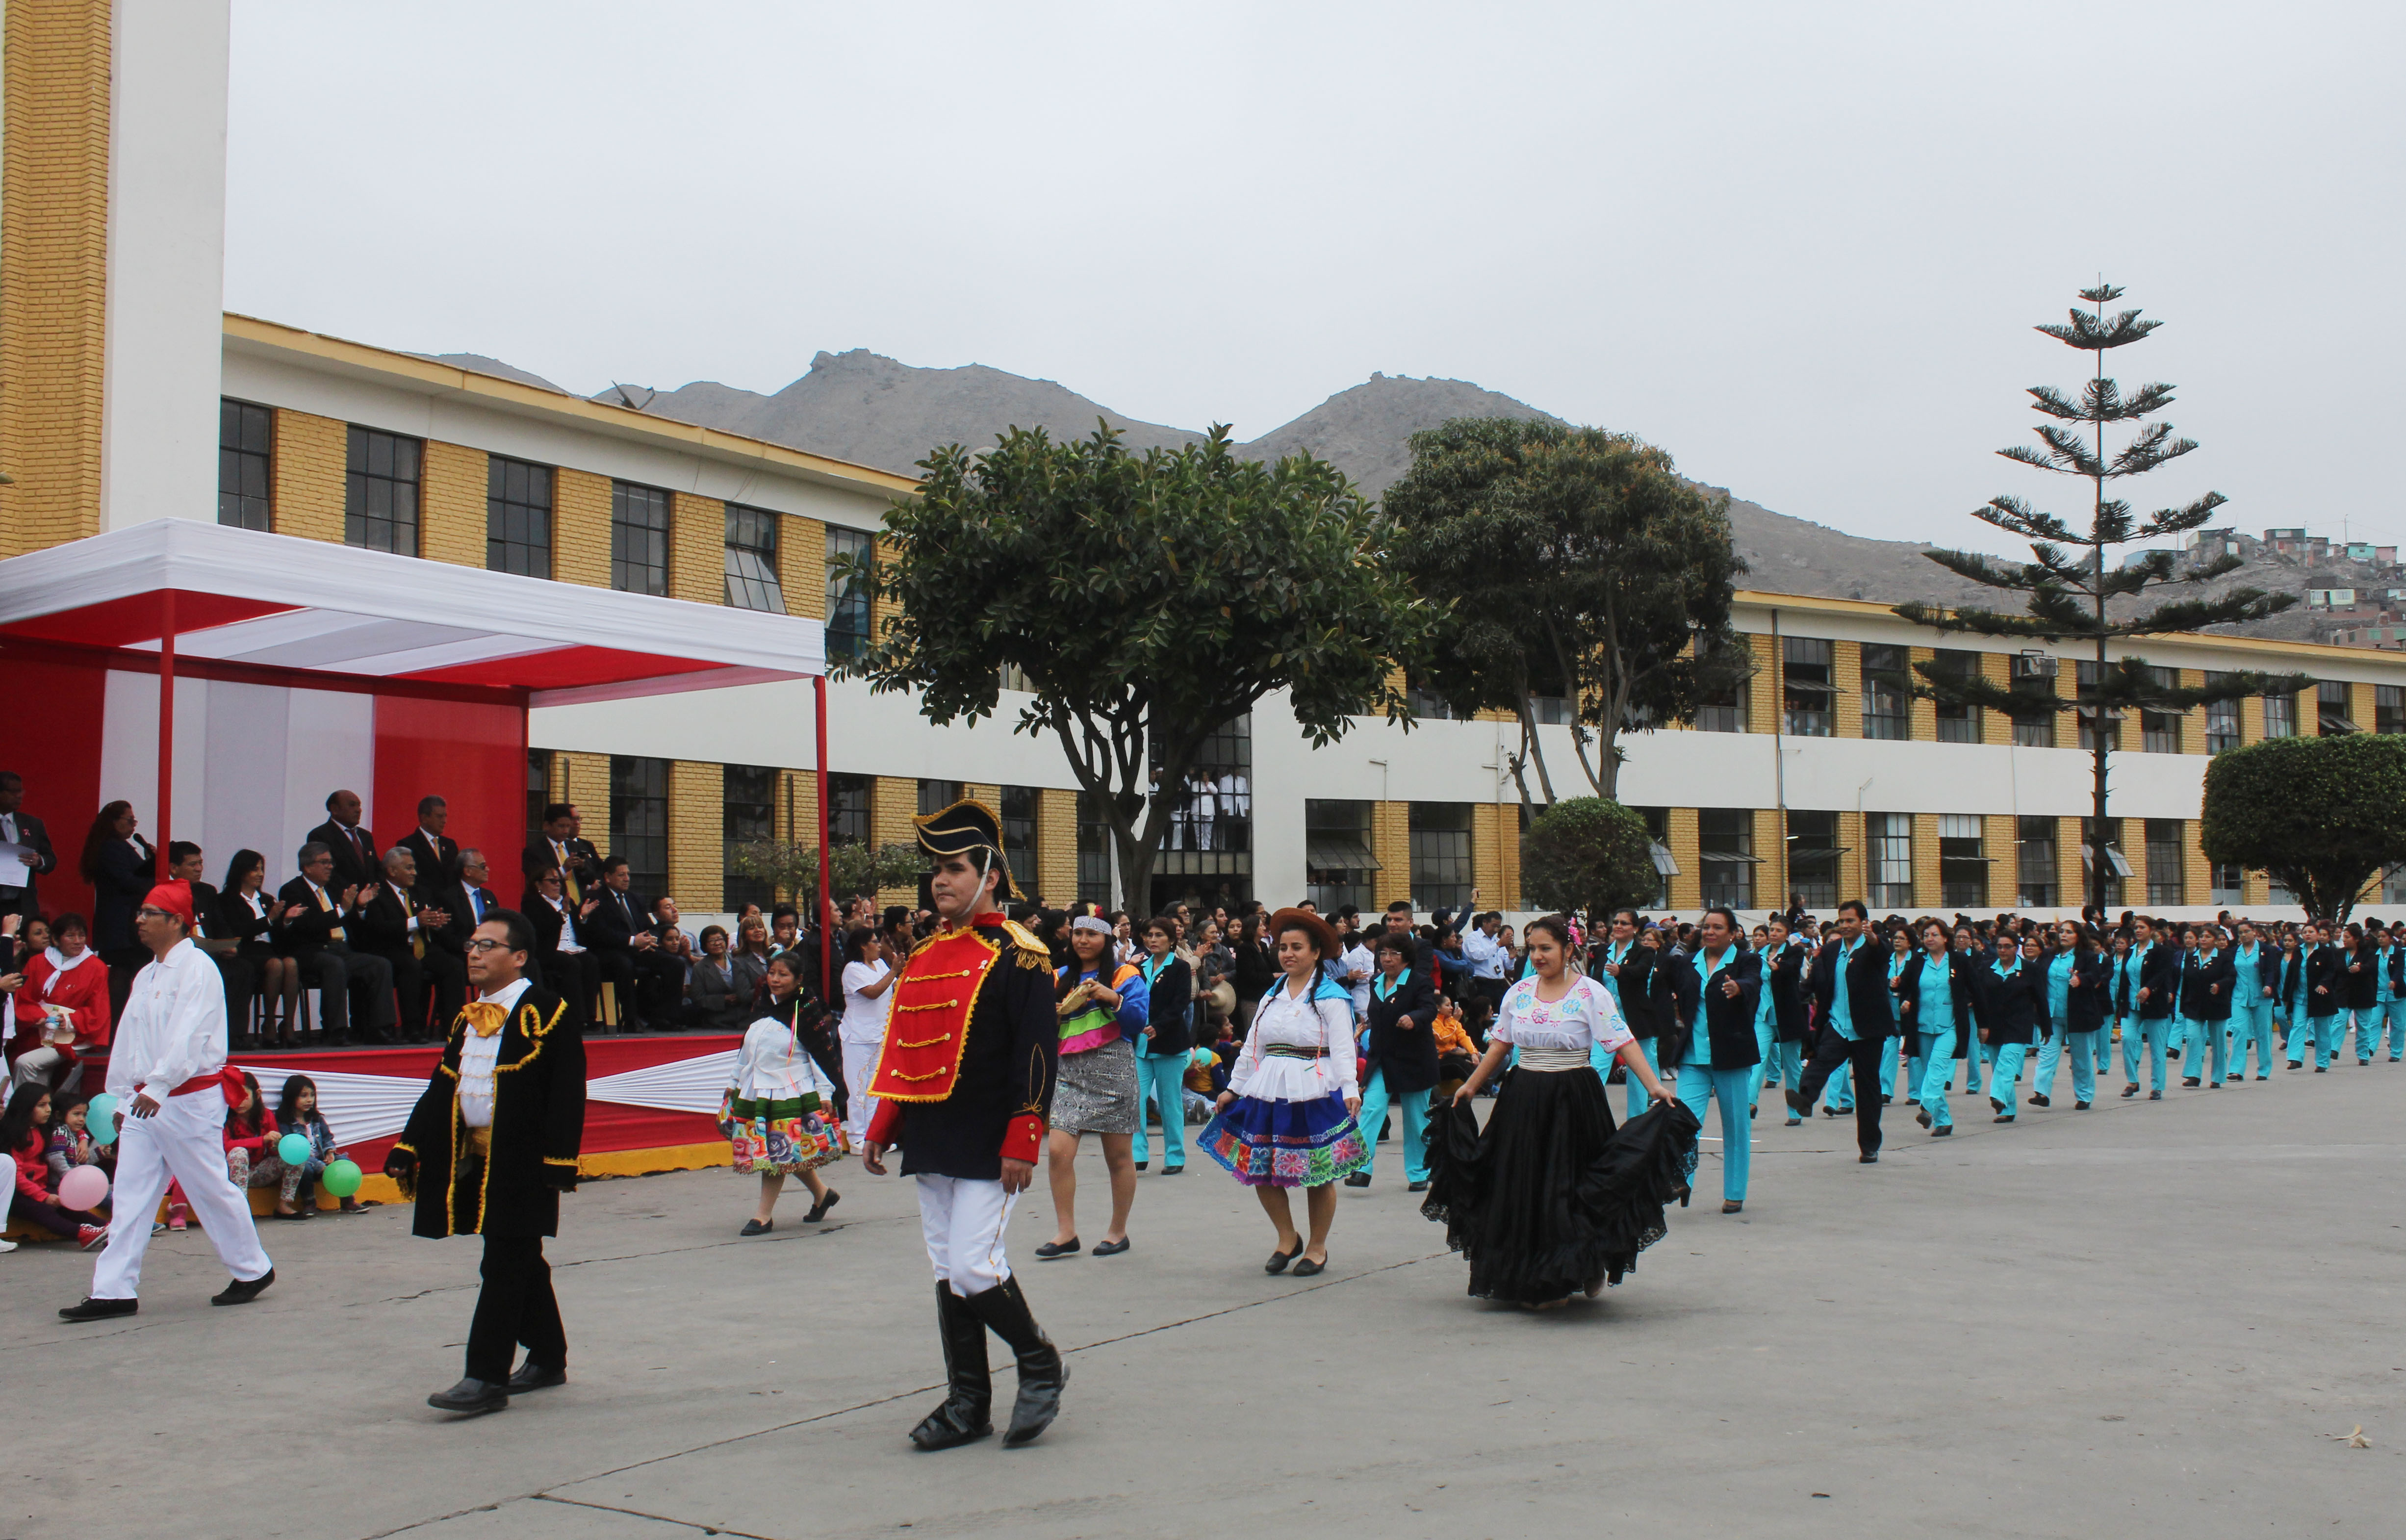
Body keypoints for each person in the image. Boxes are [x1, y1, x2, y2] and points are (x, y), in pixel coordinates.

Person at [861, 798, 1065, 1452]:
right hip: (931, 1133)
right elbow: (908, 1047)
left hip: (989, 1135)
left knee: (976, 1268)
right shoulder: (922, 953)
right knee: (948, 1269)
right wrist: (883, 1120)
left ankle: (1039, 1364)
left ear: (991, 875)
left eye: (952, 868)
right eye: (935, 871)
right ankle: (967, 1401)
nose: (939, 881)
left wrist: (1023, 1138)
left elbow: (1036, 1054)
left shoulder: (1022, 955)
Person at [1422, 914, 1689, 1306]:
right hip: (1522, 1098)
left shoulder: (1591, 993)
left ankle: (1582, 1266)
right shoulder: (1520, 992)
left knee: (1568, 1189)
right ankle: (1533, 1275)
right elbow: (1501, 1045)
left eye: (1546, 948)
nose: (1538, 956)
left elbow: (1623, 1042)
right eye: (1532, 949)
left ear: (1568, 950)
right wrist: (1470, 1085)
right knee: (1522, 1187)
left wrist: (1655, 1087)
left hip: (1573, 1100)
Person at [384, 910, 587, 1416]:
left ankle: (485, 1375)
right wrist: (409, 1144)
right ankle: (548, 1356)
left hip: (523, 1161)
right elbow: (443, 1085)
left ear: (518, 957)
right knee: (519, 1259)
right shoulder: (467, 1017)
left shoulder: (548, 1010)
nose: (474, 952)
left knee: (503, 1262)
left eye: (488, 944)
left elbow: (567, 1091)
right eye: (472, 942)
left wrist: (560, 1160)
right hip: (475, 1159)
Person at [59, 879, 276, 1321]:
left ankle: (253, 1268)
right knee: (132, 1194)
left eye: (149, 913)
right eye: (139, 912)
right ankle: (113, 1290)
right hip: (147, 1101)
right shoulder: (148, 973)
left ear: (177, 921)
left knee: (209, 1187)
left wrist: (158, 1086)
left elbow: (189, 1036)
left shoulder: (198, 968)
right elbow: (130, 1038)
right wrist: (122, 1095)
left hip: (188, 1099)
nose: (139, 920)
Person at [1200, 907, 1366, 1275]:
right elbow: (1252, 1046)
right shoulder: (1271, 994)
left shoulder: (1331, 996)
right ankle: (1287, 1237)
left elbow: (1343, 1049)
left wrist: (1350, 1089)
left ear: (1316, 952)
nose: (1288, 954)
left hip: (1314, 1088)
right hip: (1268, 1087)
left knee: (1317, 1173)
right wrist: (1233, 1089)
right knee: (1260, 1168)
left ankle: (1318, 1248)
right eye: (1284, 947)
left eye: (1297, 947)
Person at [1037, 916, 1145, 1260]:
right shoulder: (1057, 977)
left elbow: (1137, 1022)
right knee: (1057, 1151)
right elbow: (1040, 1031)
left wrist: (1112, 998)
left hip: (1113, 1068)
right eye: (1078, 934)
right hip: (1069, 1072)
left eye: (1092, 935)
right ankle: (1066, 1231)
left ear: (1106, 939)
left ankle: (1118, 1231)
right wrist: (1050, 1017)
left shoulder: (1125, 975)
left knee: (1117, 1158)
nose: (1084, 940)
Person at [727, 1001, 844, 1235]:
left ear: (797, 979)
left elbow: (820, 1058)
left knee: (778, 1151)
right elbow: (746, 1054)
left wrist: (825, 1093)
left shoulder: (804, 1015)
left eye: (784, 974)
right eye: (772, 973)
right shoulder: (762, 1015)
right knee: (786, 1152)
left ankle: (763, 1216)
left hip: (790, 1095)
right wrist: (733, 1083)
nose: (776, 979)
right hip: (758, 1093)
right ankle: (823, 1194)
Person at [1672, 907, 1762, 1213]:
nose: (1709, 932)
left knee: (1736, 1128)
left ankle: (1735, 1192)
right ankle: (1681, 1180)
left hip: (1732, 1056)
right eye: (1706, 927)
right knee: (1684, 1124)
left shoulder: (1746, 961)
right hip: (1693, 1057)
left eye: (1717, 928)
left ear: (1734, 933)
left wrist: (1739, 988)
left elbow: (1753, 983)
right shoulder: (1687, 962)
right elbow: (1680, 999)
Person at [1791, 899, 1893, 1162]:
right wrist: (1793, 998)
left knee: (1867, 1088)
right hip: (1837, 1024)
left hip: (1867, 1029)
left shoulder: (1874, 947)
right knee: (1820, 1061)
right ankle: (1805, 1099)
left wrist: (1873, 940)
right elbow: (1815, 982)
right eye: (1842, 921)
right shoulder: (1831, 950)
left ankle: (1869, 1145)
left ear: (1864, 922)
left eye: (1851, 921)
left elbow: (1882, 954)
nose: (1845, 926)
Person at [277, 841, 396, 1046]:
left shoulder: (334, 888)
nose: (330, 867)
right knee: (334, 965)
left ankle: (379, 1029)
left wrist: (359, 906)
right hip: (311, 952)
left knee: (380, 964)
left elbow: (350, 922)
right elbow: (308, 926)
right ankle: (335, 1030)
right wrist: (343, 910)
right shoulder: (292, 890)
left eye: (331, 862)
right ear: (307, 867)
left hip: (341, 950)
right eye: (324, 862)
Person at [1349, 930, 1440, 1192]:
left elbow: (1429, 1009)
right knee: (1372, 1109)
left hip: (1415, 1060)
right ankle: (1361, 1168)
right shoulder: (1376, 982)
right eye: (1383, 953)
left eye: (1394, 954)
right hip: (1383, 1059)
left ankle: (1419, 1172)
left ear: (1407, 957)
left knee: (1416, 1120)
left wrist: (1414, 1018)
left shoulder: (1420, 982)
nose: (1387, 959)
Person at [1, 1085, 107, 1249]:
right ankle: (82, 1234)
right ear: (26, 1106)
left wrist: (83, 1139)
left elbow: (69, 1126)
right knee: (44, 1211)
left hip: (40, 1187)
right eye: (42, 1105)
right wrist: (44, 1197)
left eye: (49, 1105)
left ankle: (108, 1229)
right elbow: (18, 1177)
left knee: (69, 1204)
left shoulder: (43, 1128)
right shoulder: (14, 1134)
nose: (48, 1110)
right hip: (18, 1194)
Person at [11, 912, 108, 1092]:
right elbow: (24, 999)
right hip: (39, 1032)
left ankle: (25, 1114)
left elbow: (99, 1010)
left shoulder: (96, 967)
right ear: (56, 940)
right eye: (71, 936)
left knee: (25, 1063)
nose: (78, 941)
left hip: (74, 1037)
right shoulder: (37, 962)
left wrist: (70, 1021)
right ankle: (37, 1115)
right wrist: (40, 1017)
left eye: (82, 936)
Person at [355, 848, 443, 1044]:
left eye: (414, 868)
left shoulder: (420, 891)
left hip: (420, 947)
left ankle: (451, 1026)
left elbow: (426, 920)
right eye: (409, 868)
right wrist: (416, 922)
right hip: (388, 949)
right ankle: (412, 1028)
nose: (415, 873)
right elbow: (378, 928)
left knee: (450, 964)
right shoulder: (377, 892)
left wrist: (436, 922)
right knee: (411, 966)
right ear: (392, 871)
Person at [1894, 918, 1973, 1136]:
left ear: (1945, 938)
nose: (1930, 939)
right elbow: (1907, 986)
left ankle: (1926, 1105)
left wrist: (1984, 1023)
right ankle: (1943, 1120)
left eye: (1934, 935)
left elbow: (1975, 988)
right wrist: (1903, 993)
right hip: (1923, 1025)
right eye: (1926, 935)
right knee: (1931, 1072)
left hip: (1951, 1024)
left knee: (1938, 1067)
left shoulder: (1958, 960)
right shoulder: (1918, 961)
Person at [1131, 916, 1195, 1178]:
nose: (1153, 940)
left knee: (1170, 1103)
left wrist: (1160, 1025)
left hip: (1169, 1044)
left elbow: (1180, 1003)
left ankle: (1175, 1156)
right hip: (1140, 1045)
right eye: (1149, 935)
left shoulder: (1180, 967)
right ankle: (1137, 1155)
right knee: (1135, 1101)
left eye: (1159, 935)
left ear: (1171, 940)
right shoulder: (1139, 967)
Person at [81, 801, 156, 1022]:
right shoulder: (112, 847)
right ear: (115, 822)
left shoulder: (113, 846)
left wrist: (153, 862)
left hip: (118, 922)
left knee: (123, 972)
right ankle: (117, 1026)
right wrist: (156, 879)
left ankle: (115, 1027)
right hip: (121, 923)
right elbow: (126, 881)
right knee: (125, 973)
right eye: (130, 820)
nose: (134, 825)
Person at [214, 851, 294, 1047]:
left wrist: (286, 922)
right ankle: (269, 1024)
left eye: (262, 869)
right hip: (247, 950)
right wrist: (269, 920)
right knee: (276, 965)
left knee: (291, 963)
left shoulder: (267, 900)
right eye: (255, 869)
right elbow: (239, 931)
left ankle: (289, 1025)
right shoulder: (227, 900)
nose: (260, 874)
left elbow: (276, 933)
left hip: (268, 949)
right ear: (242, 872)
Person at [2031, 921, 2107, 1110]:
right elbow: (2036, 977)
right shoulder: (2049, 955)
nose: (2063, 935)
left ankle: (2084, 1096)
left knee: (2081, 1059)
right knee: (2047, 1055)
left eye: (2069, 932)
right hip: (2051, 1015)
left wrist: (2081, 979)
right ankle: (2042, 1093)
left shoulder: (2087, 956)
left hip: (2079, 1016)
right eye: (2061, 932)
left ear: (2078, 936)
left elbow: (2096, 975)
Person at [523, 865, 601, 1033]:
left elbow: (579, 930)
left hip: (572, 947)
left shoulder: (568, 901)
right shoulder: (532, 903)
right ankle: (575, 1017)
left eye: (559, 881)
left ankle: (590, 1016)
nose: (557, 884)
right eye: (552, 881)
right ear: (538, 885)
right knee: (571, 965)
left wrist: (583, 917)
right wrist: (563, 914)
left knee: (591, 961)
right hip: (549, 950)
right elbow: (542, 930)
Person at [837, 927, 896, 1146]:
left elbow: (894, 986)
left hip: (879, 1034)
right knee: (858, 1089)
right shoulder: (853, 970)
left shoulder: (880, 965)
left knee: (874, 1090)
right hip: (857, 1038)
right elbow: (872, 993)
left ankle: (873, 1137)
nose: (879, 946)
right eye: (874, 942)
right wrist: (894, 972)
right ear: (863, 946)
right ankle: (856, 1138)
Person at [1974, 933, 2043, 1121]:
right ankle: (2007, 1110)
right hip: (1994, 1025)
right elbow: (1980, 999)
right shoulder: (1987, 967)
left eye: (2007, 946)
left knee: (2006, 1065)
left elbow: (2040, 998)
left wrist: (2046, 1026)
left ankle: (1997, 1096)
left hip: (2019, 1025)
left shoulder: (2030, 969)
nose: (2003, 950)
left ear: (2016, 948)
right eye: (1999, 946)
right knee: (1999, 1067)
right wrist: (1982, 1025)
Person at [273, 1075, 361, 1218]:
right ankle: (309, 1202)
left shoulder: (316, 1119)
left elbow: (328, 1137)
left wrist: (330, 1152)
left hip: (322, 1160)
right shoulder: (284, 1122)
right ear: (291, 1097)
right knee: (304, 1168)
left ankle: (348, 1201)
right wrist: (319, 1165)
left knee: (344, 1162)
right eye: (304, 1096)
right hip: (305, 1163)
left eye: (312, 1095)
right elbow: (292, 1151)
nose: (309, 1100)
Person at [587, 856, 657, 1032]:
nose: (627, 879)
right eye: (621, 875)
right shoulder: (596, 899)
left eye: (628, 874)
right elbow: (600, 933)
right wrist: (633, 941)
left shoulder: (636, 899)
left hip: (639, 950)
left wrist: (650, 939)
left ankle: (664, 1017)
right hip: (610, 952)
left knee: (673, 963)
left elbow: (649, 926)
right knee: (623, 964)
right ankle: (630, 1019)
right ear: (607, 877)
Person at [1750, 914, 1808, 1122]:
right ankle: (1750, 1103)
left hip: (1787, 1016)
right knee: (1757, 1060)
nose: (1774, 934)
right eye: (1772, 930)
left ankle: (1795, 1111)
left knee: (1792, 1066)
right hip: (1763, 1015)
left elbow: (1792, 969)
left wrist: (1778, 967)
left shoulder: (1794, 952)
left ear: (1787, 935)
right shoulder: (1758, 955)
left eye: (1779, 931)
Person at [2178, 924, 2233, 1088]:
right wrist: (2183, 1005)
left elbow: (2231, 977)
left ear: (2215, 941)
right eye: (2201, 936)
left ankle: (2217, 1077)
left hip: (2217, 1004)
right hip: (2194, 1005)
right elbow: (2186, 983)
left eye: (2208, 937)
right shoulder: (2191, 957)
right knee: (2194, 1038)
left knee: (2218, 1042)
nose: (2203, 939)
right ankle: (2193, 1075)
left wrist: (2220, 985)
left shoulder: (2224, 958)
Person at [2224, 920, 2278, 1083]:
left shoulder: (2266, 951)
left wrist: (2269, 986)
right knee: (2239, 1031)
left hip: (2261, 997)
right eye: (2240, 933)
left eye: (2247, 931)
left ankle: (2264, 1069)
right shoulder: (2234, 952)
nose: (2244, 935)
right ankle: (2236, 1070)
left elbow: (2272, 971)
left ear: (2254, 932)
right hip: (2239, 997)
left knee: (2263, 1034)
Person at [0, 771, 59, 921]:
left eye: (21, 791)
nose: (19, 796)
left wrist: (39, 861)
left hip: (24, 905)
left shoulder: (33, 824)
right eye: (14, 792)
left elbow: (50, 859)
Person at [308, 789, 380, 895]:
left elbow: (374, 867)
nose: (358, 810)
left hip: (370, 901)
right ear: (335, 809)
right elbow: (326, 873)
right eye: (352, 805)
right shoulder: (320, 835)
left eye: (359, 806)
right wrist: (354, 895)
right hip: (341, 899)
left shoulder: (366, 836)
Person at [686, 924, 747, 1032]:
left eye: (720, 939)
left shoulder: (738, 960)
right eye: (712, 941)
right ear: (705, 945)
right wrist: (724, 999)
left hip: (744, 1016)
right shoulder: (700, 968)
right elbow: (698, 999)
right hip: (717, 1020)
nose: (717, 943)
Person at [395, 796, 461, 892]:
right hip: (424, 903)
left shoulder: (450, 845)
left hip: (450, 904)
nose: (444, 821)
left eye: (445, 816)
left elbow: (456, 877)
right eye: (439, 816)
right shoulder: (408, 845)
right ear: (424, 818)